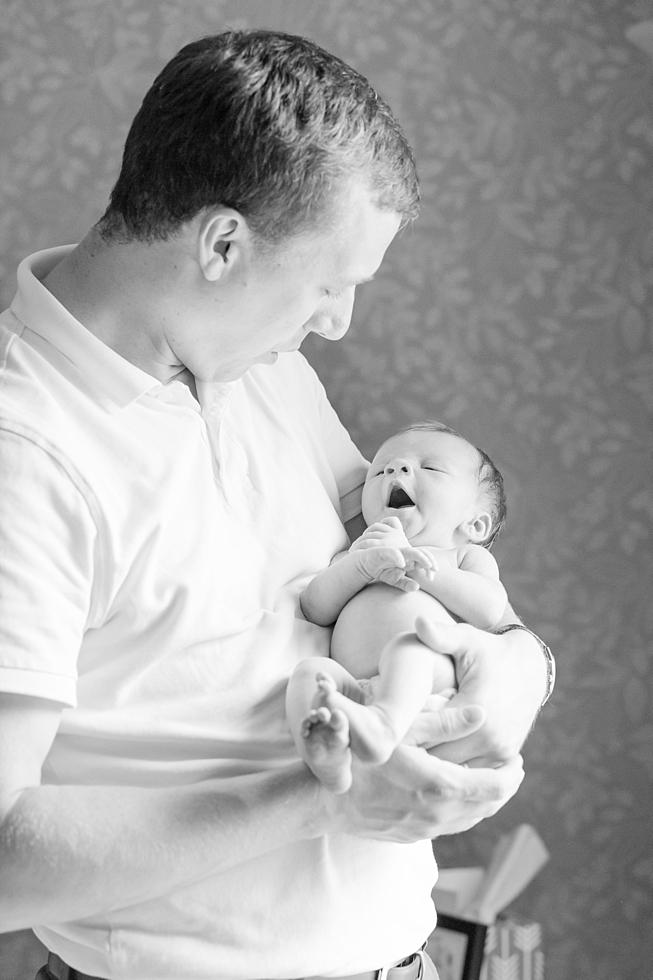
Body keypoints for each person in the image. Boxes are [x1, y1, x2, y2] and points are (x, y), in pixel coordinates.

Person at [0, 29, 554, 980]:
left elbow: (420, 571)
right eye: (331, 283)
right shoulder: (26, 454)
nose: (337, 321)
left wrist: (516, 667)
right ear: (223, 243)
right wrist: (322, 801)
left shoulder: (266, 372)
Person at [286, 421, 509, 793]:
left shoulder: (461, 556)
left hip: (426, 685)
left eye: (432, 467)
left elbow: (489, 609)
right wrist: (359, 565)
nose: (395, 468)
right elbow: (315, 608)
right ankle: (327, 755)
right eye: (380, 469)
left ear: (475, 524)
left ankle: (385, 723)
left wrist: (414, 562)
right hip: (354, 689)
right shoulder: (357, 551)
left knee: (412, 644)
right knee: (310, 673)